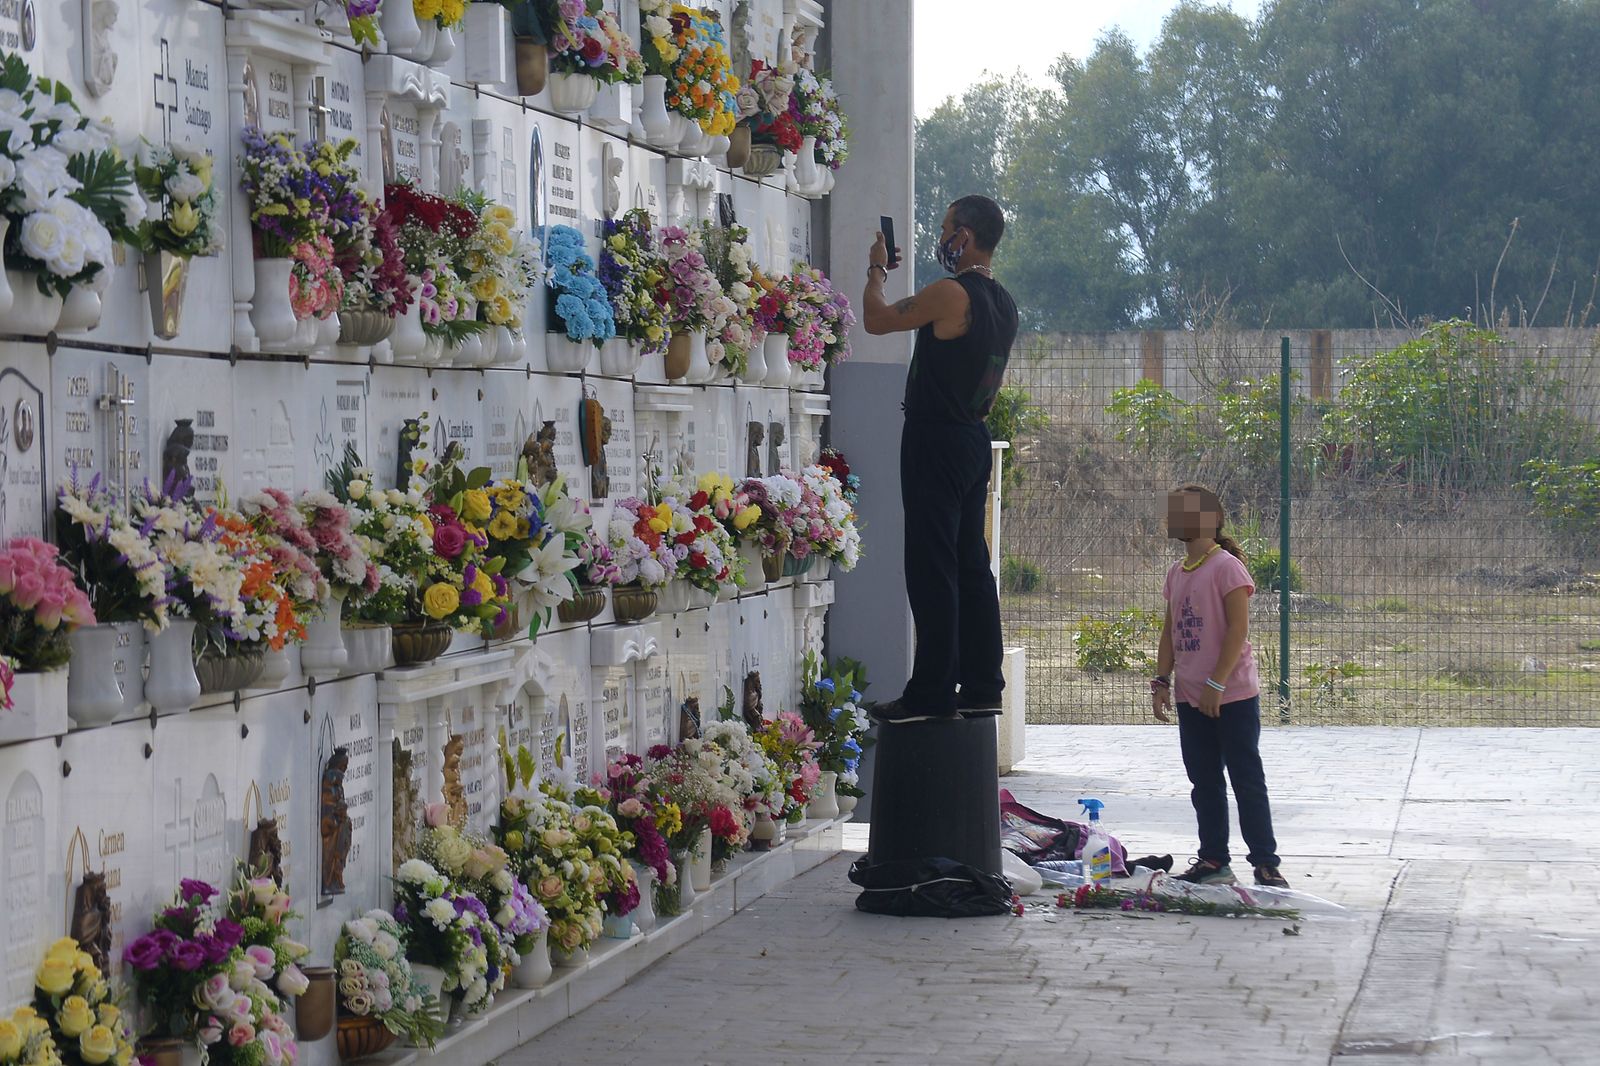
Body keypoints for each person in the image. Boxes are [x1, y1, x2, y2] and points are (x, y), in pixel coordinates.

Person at [860, 195, 1019, 724]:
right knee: (971, 564)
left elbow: (876, 319)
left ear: (965, 236)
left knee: (932, 566)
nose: (942, 237)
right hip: (973, 438)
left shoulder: (952, 293)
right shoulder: (1004, 302)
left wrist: (877, 269)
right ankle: (981, 685)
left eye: (947, 228)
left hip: (935, 439)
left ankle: (929, 692)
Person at [1151, 484, 1289, 888]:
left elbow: (1237, 630)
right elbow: (1169, 631)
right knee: (1204, 781)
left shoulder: (1227, 567)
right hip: (1189, 696)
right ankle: (1213, 861)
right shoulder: (1176, 572)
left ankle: (1265, 863)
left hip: (1232, 695)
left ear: (1211, 520)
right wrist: (1162, 681)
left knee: (1246, 779)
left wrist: (1216, 683)